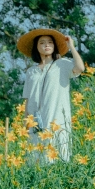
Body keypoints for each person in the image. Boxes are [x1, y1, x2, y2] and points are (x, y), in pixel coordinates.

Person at [15, 28, 85, 164]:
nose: (46, 45)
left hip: (56, 122)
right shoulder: (31, 72)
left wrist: (71, 46)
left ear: (55, 46)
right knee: (35, 162)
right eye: (42, 43)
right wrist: (25, 127)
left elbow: (80, 68)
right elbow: (27, 101)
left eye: (50, 42)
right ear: (36, 47)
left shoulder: (63, 64)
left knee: (57, 160)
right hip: (35, 123)